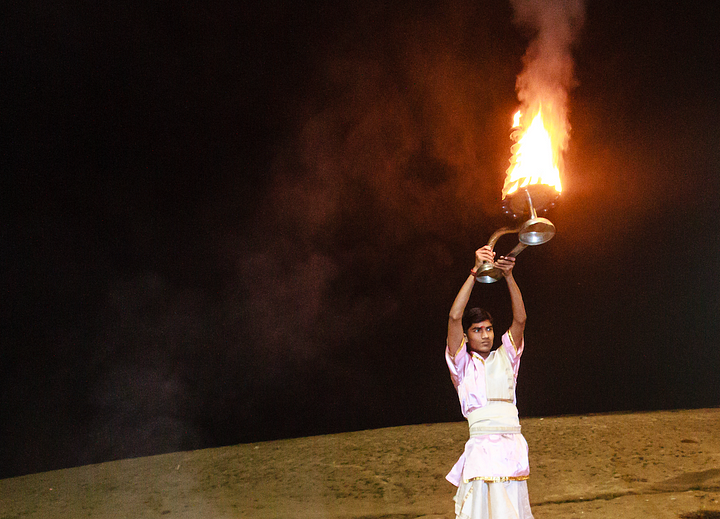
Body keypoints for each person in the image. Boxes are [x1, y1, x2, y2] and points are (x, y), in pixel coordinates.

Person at [445, 245, 534, 519]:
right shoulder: (463, 364)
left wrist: (508, 276)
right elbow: (454, 317)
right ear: (467, 336)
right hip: (481, 453)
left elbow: (520, 318)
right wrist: (474, 272)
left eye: (488, 329)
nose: (485, 335)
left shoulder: (506, 356)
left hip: (510, 449)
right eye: (477, 330)